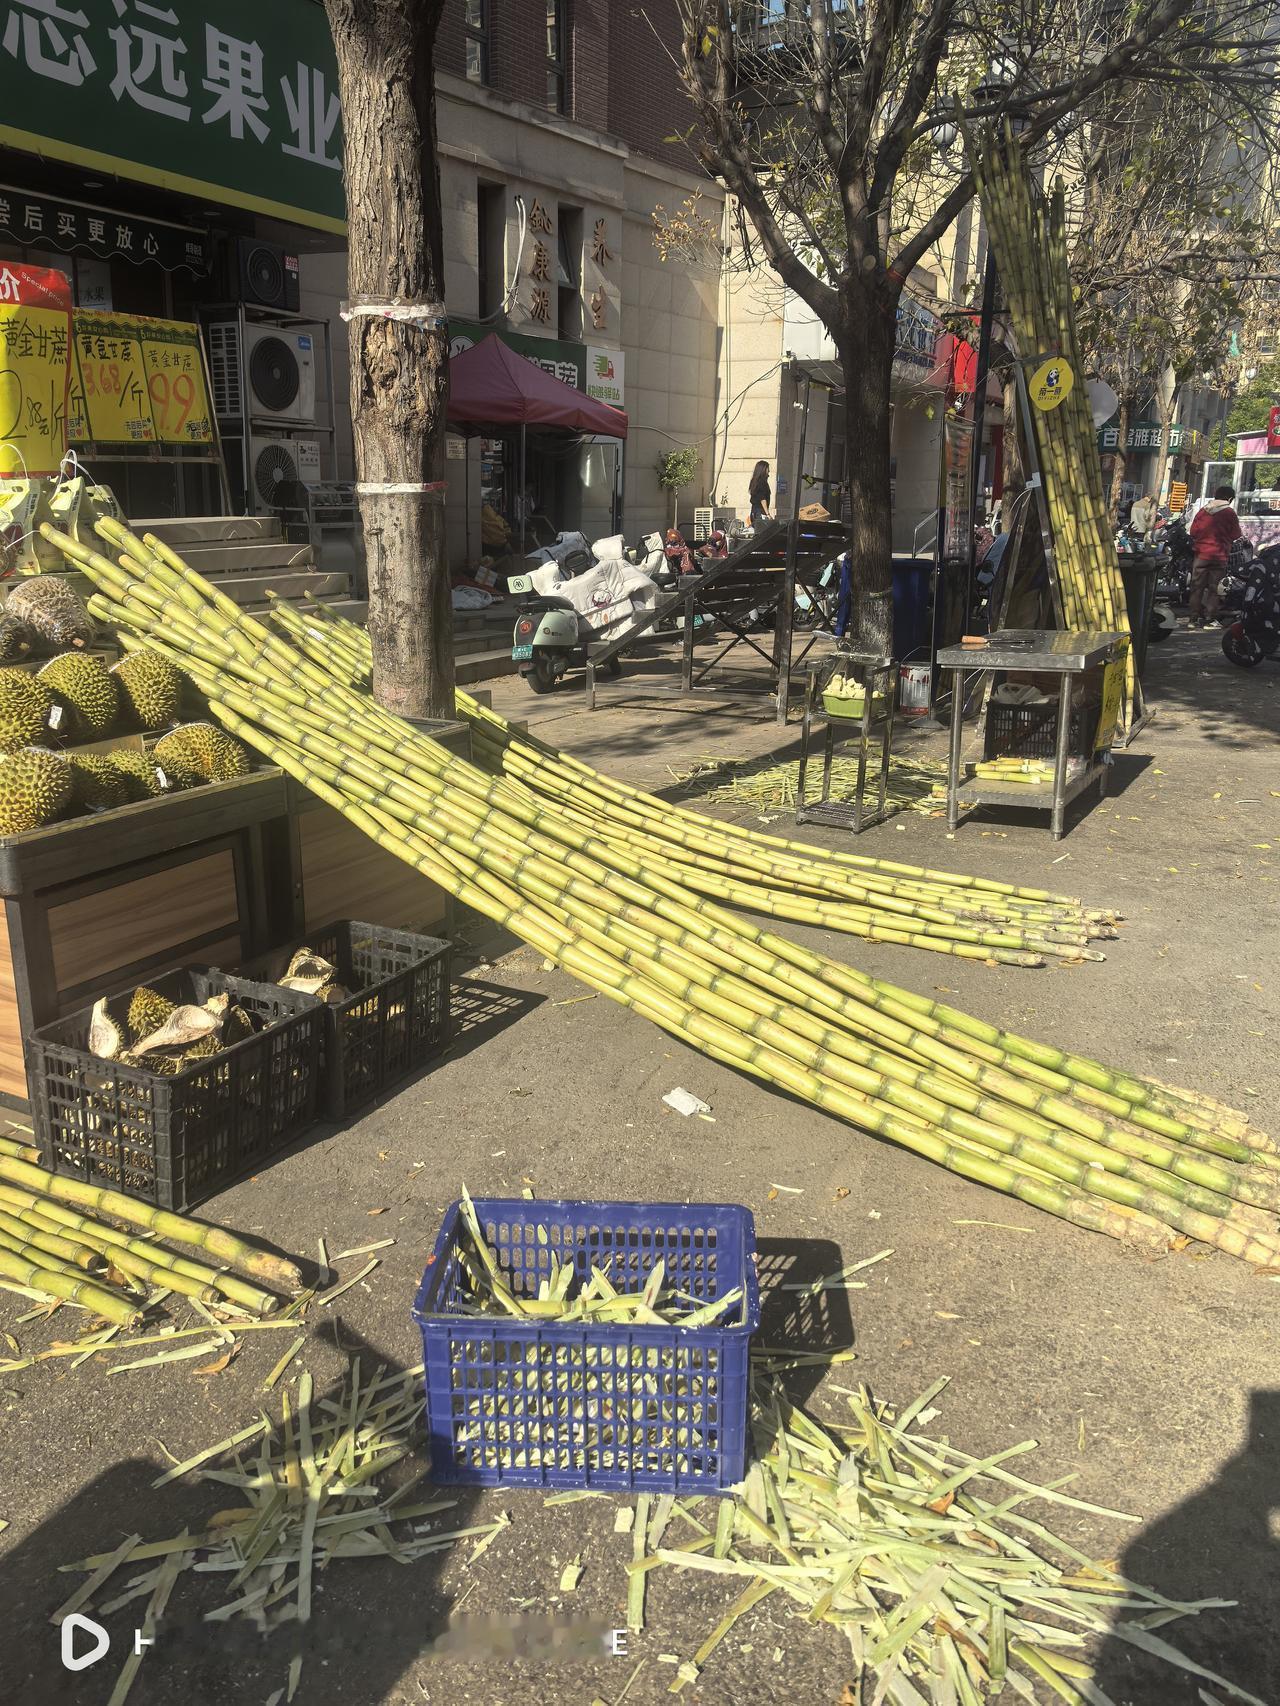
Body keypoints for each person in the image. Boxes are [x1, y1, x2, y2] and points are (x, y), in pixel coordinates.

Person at [1188, 483, 1243, 629]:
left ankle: (1193, 618)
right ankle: (1210, 619)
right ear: (1229, 498)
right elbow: (1236, 534)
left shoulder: (1203, 511)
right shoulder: (1229, 513)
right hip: (1219, 555)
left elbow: (1193, 532)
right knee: (1215, 588)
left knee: (1197, 587)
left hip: (1201, 555)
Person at [748, 460, 771, 528]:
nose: (769, 471)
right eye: (767, 469)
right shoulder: (762, 482)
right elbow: (762, 499)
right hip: (760, 512)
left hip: (753, 511)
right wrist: (767, 514)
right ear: (763, 470)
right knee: (762, 533)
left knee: (757, 531)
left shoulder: (754, 481)